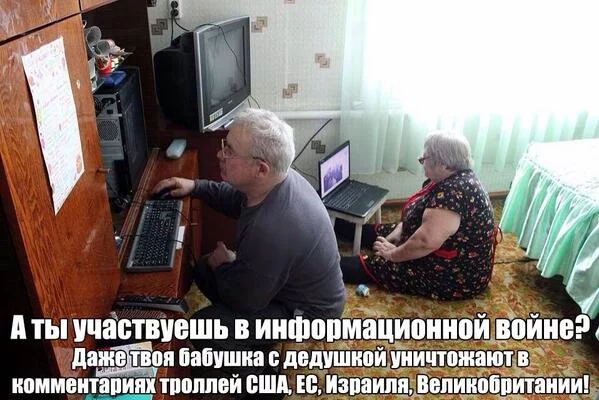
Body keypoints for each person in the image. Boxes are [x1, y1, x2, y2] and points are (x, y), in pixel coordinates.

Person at [152, 108, 346, 381]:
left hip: (309, 314)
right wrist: (196, 186)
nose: (220, 154)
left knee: (203, 327)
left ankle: (264, 382)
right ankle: (246, 339)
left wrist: (225, 266)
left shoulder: (272, 229)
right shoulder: (276, 180)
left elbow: (245, 300)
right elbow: (236, 199)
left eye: (229, 151)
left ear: (261, 169)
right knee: (205, 268)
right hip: (284, 287)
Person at [340, 130, 497, 300]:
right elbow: (418, 213)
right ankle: (332, 227)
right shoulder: (454, 176)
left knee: (370, 265)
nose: (421, 161)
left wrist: (393, 254)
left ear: (443, 164)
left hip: (453, 274)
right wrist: (399, 231)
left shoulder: (453, 194)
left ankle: (324, 265)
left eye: (424, 158)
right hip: (431, 242)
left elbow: (424, 242)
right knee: (367, 231)